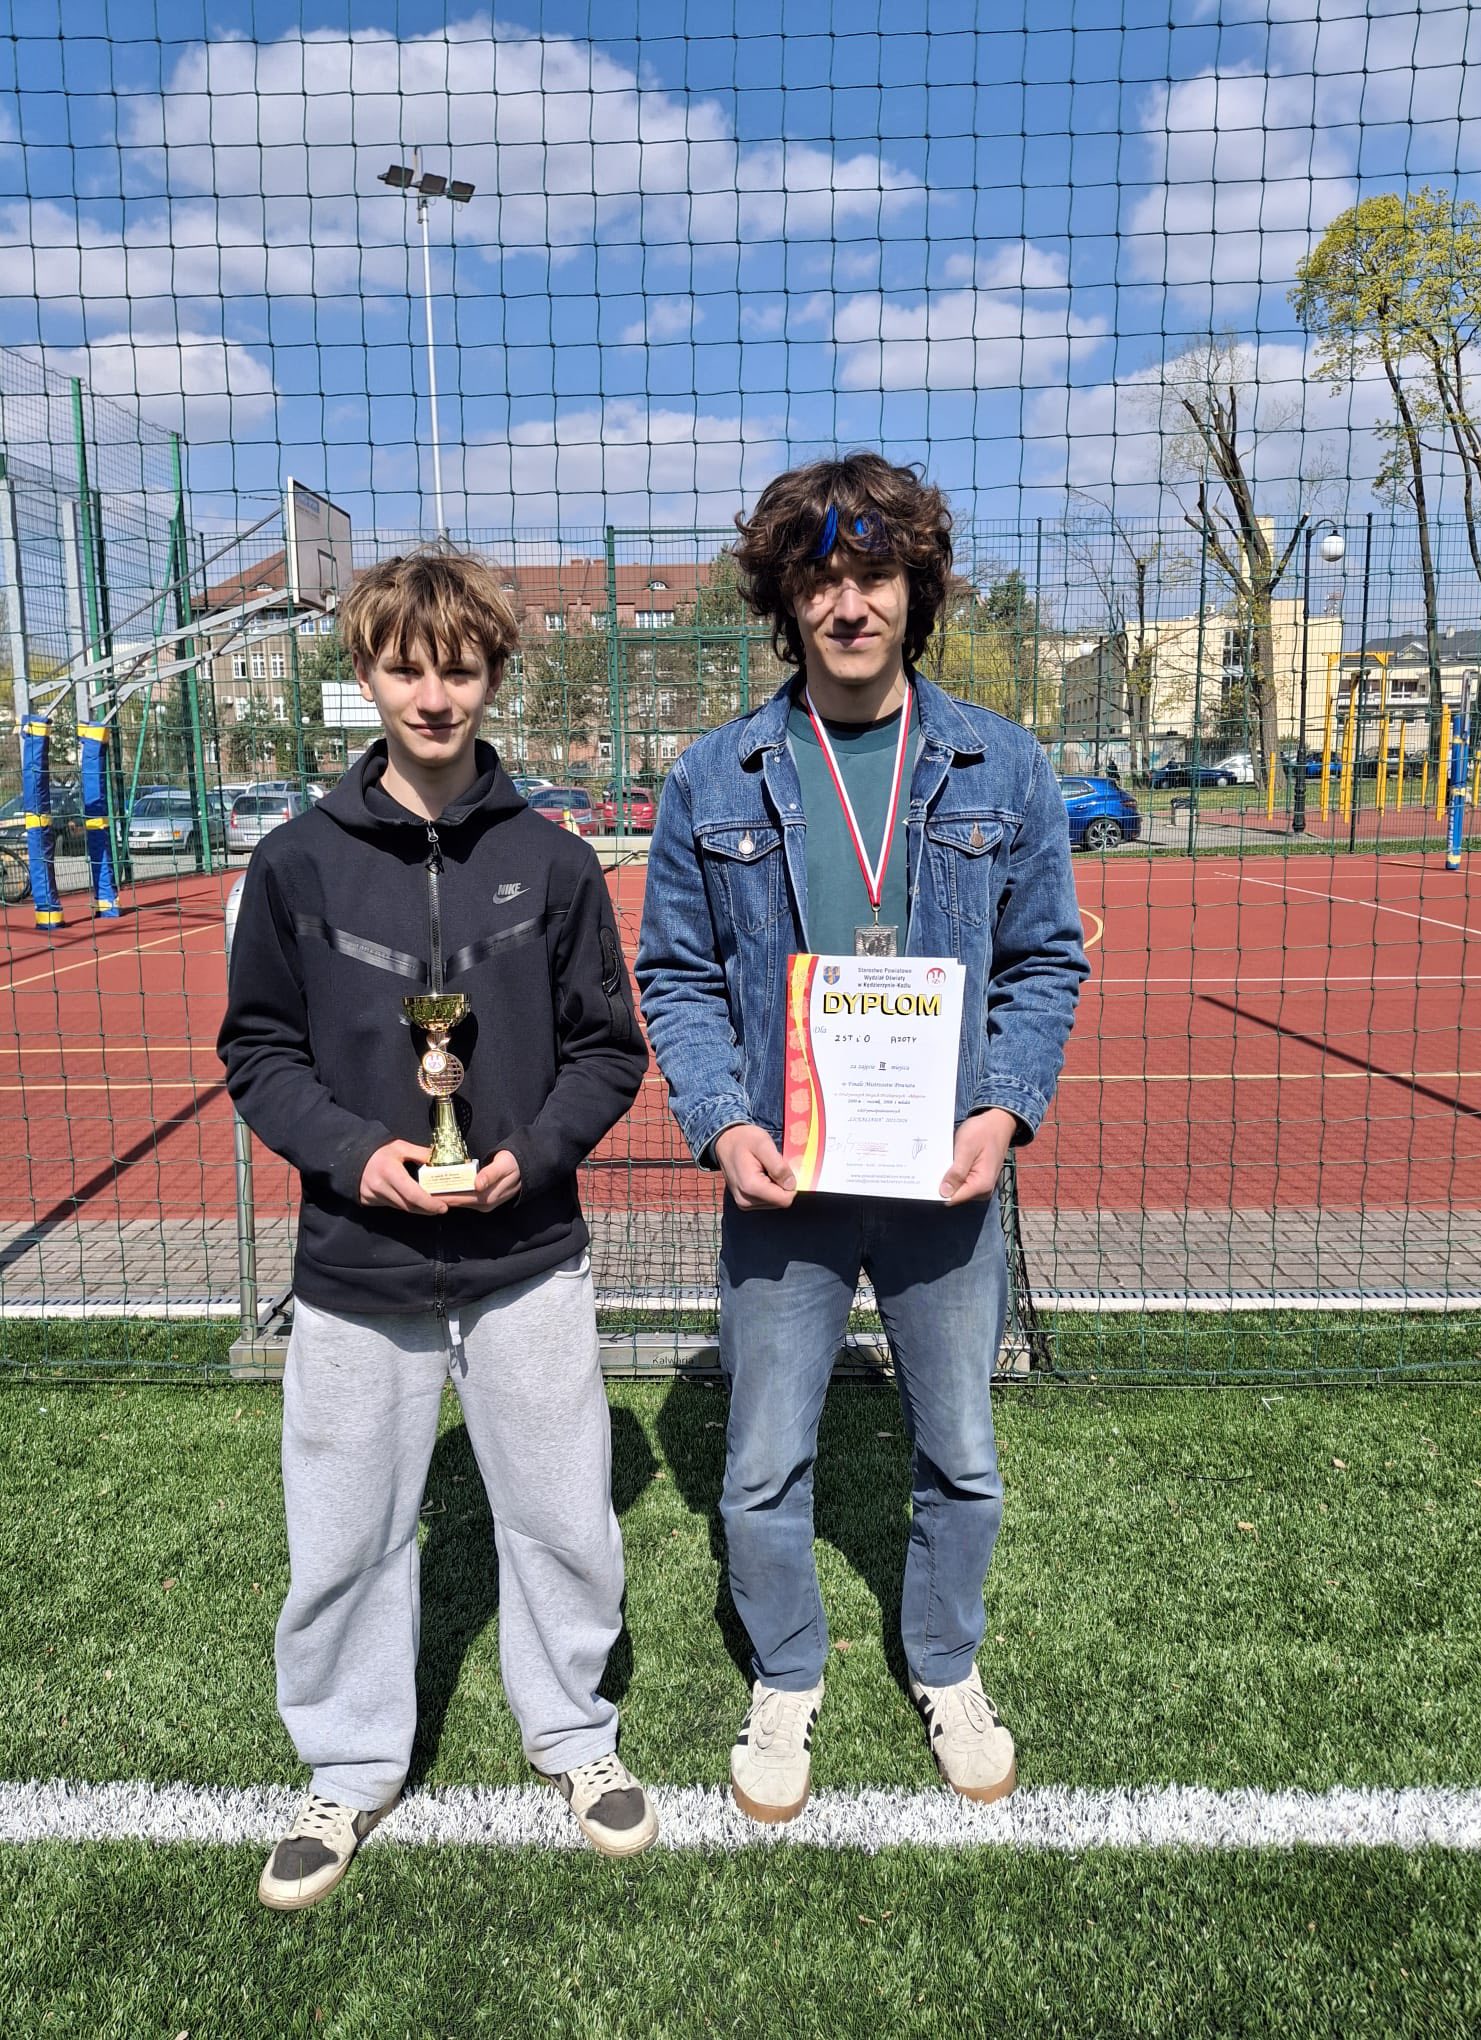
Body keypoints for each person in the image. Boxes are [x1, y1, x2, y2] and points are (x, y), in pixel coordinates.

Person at [636, 454, 1088, 1823]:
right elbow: (676, 976)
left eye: (873, 574)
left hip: (945, 1179)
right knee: (761, 1465)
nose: (848, 603)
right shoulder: (715, 775)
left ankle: (945, 1662)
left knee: (964, 1456)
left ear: (915, 588)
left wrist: (1002, 1109)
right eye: (821, 577)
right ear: (785, 598)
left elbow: (1044, 961)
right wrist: (721, 1123)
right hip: (785, 1181)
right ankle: (786, 1672)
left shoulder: (1004, 764)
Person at [219, 548, 655, 1911]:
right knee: (344, 1531)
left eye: (458, 668)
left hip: (526, 1256)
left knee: (560, 1513)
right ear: (365, 673)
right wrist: (359, 1156)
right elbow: (258, 1052)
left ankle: (573, 1732)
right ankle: (348, 1767)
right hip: (358, 1264)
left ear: (493, 675)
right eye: (405, 667)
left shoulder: (555, 862)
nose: (432, 693)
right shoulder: (294, 864)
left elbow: (608, 1049)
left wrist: (530, 1153)